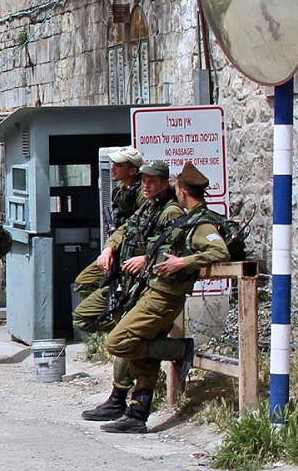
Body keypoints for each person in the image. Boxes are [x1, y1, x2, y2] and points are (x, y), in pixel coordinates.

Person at [101, 161, 230, 434]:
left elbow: (220, 253)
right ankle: (137, 413)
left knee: (118, 342)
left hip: (164, 297)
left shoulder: (202, 222)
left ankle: (179, 350)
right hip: (155, 291)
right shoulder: (186, 217)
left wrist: (183, 262)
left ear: (181, 190)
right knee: (143, 351)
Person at [72, 159, 183, 421]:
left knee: (128, 343)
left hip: (150, 286)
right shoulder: (147, 206)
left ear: (164, 183)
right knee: (87, 317)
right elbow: (125, 229)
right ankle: (124, 401)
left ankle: (128, 402)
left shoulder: (170, 212)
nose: (146, 185)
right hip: (128, 283)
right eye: (144, 180)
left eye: (152, 181)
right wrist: (109, 247)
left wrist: (146, 259)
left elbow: (175, 249)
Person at [73, 145, 144, 301]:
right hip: (118, 247)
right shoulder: (120, 190)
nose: (113, 168)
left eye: (119, 165)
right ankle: (113, 306)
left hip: (133, 251)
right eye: (113, 164)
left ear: (132, 171)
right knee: (83, 283)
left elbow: (139, 224)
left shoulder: (141, 193)